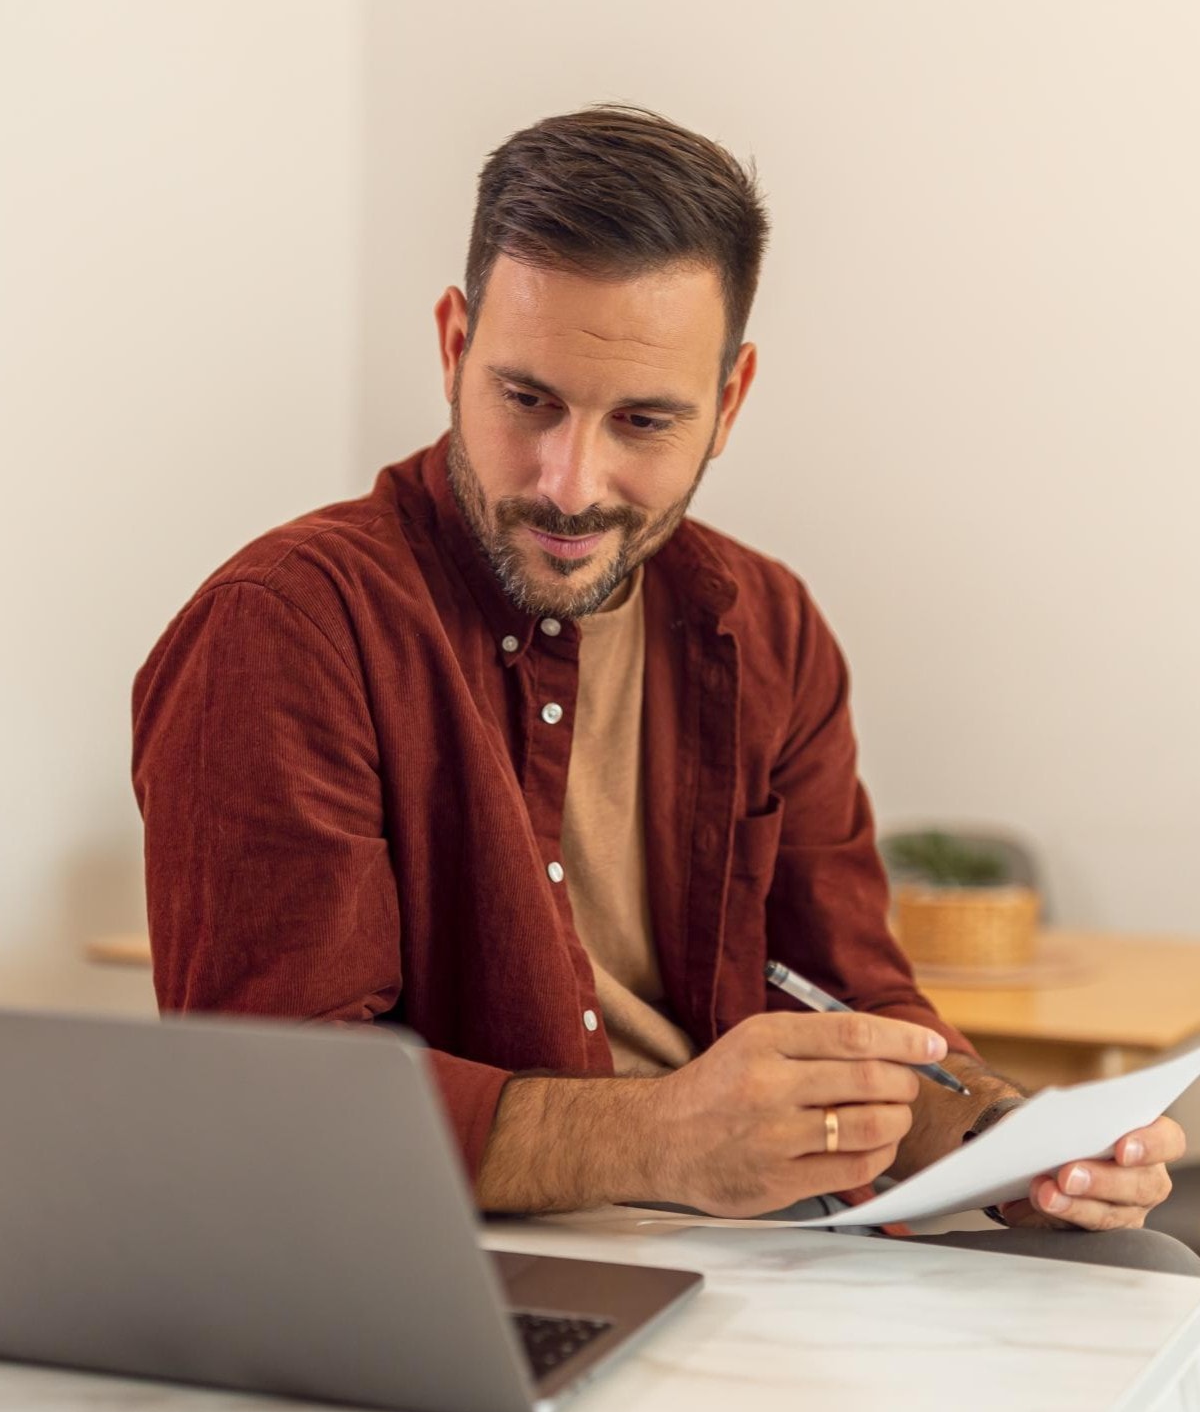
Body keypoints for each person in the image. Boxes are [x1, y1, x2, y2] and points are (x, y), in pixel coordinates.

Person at [132, 104, 1194, 1275]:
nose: (570, 483)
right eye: (526, 399)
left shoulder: (769, 626)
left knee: (1142, 1274)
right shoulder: (286, 626)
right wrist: (661, 1138)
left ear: (729, 404)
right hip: (453, 1272)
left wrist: (1015, 1143)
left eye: (642, 420)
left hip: (772, 1254)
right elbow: (277, 1106)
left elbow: (850, 999)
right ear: (452, 345)